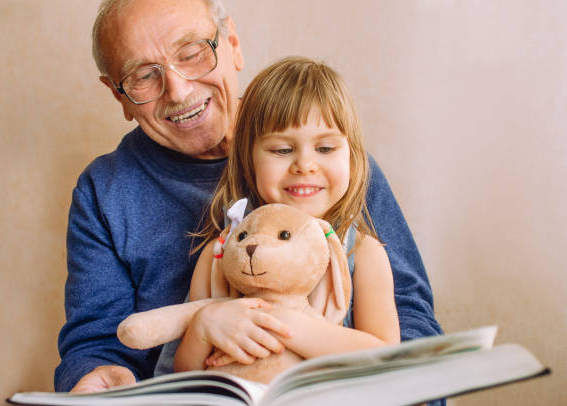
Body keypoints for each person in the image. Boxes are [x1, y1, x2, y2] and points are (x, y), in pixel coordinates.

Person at [55, 0, 442, 394]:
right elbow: (101, 345)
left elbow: (409, 321)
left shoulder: (335, 172)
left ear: (233, 43)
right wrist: (98, 379)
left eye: (191, 54)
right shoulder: (109, 194)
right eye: (143, 76)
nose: (178, 89)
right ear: (117, 94)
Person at [173, 56, 401, 373]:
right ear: (247, 159)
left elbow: (387, 360)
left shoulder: (361, 254)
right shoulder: (222, 254)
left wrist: (286, 324)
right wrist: (203, 327)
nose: (304, 165)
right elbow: (182, 377)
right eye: (282, 150)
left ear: (352, 156)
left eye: (325, 148)